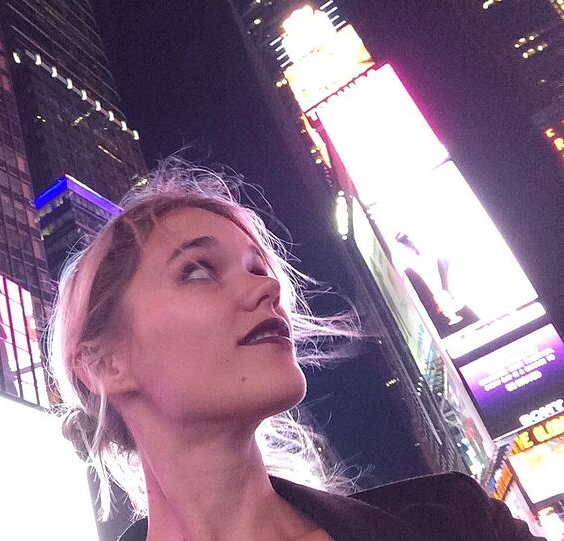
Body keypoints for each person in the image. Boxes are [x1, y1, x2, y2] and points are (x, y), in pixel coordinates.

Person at [48, 160, 544, 541]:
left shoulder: (457, 522)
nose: (267, 288)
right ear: (104, 364)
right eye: (197, 270)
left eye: (258, 268)